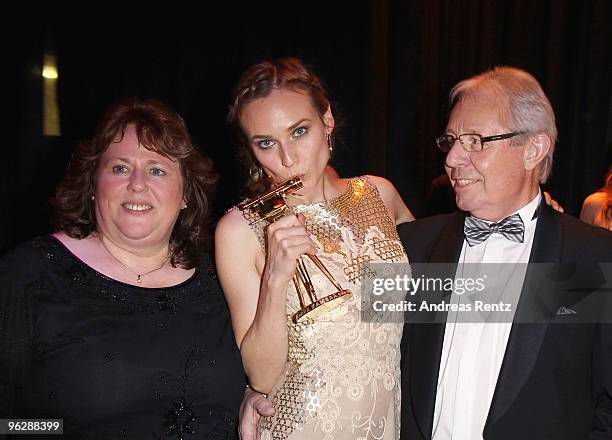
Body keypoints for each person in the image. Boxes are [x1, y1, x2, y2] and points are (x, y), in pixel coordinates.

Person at [0, 98, 245, 439]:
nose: (138, 184)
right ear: (91, 184)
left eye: (157, 169)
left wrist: (253, 397)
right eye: (119, 168)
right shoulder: (27, 274)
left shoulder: (220, 277)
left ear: (186, 192)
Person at [399, 67, 612, 439]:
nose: (452, 159)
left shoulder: (593, 258)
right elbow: (360, 361)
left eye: (475, 141)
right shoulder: (411, 246)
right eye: (451, 141)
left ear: (533, 149)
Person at [215, 57, 414, 440]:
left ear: (327, 121)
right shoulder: (240, 229)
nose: (287, 159)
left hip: (384, 422)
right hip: (300, 425)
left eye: (299, 131)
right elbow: (262, 375)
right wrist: (275, 277)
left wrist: (537, 219)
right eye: (267, 143)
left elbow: (445, 266)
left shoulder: (379, 194)